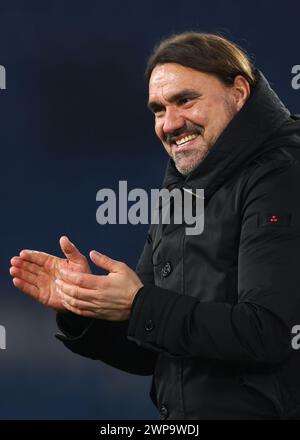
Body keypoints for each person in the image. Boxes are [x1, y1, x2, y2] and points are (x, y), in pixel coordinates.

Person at [10, 32, 300, 420]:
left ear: (240, 93)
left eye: (185, 100)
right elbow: (154, 348)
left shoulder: (282, 175)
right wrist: (87, 307)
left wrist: (138, 303)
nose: (170, 123)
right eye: (158, 109)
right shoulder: (182, 189)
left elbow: (269, 333)